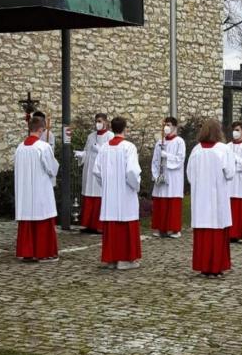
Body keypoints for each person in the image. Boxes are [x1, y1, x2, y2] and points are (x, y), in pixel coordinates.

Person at [186, 119, 236, 278]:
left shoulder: (196, 151)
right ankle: (216, 267)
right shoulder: (223, 150)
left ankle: (203, 266)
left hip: (200, 199)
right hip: (217, 198)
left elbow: (189, 176)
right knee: (217, 232)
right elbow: (230, 173)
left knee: (203, 234)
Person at [93, 116, 142, 270]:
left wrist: (106, 185)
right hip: (125, 192)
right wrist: (136, 186)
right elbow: (132, 172)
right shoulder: (129, 147)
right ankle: (125, 259)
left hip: (110, 194)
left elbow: (96, 171)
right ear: (125, 128)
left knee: (112, 224)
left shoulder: (104, 148)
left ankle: (111, 258)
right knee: (125, 223)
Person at [14, 116, 60, 262]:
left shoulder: (20, 147)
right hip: (40, 190)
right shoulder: (43, 147)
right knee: (42, 218)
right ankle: (43, 252)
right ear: (40, 130)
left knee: (28, 219)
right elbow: (52, 168)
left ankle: (27, 252)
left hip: (25, 191)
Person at [74, 113, 113, 234]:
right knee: (89, 194)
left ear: (106, 122)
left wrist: (100, 148)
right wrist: (81, 154)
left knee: (99, 196)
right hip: (90, 170)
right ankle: (87, 224)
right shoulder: (91, 136)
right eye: (96, 121)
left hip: (101, 170)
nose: (98, 123)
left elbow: (111, 154)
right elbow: (87, 151)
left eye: (100, 121)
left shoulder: (110, 136)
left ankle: (99, 225)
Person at [150, 117, 186, 238]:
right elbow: (154, 160)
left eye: (169, 125)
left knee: (172, 201)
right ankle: (161, 228)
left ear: (175, 127)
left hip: (173, 176)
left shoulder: (179, 142)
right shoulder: (159, 142)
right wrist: (155, 175)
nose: (166, 127)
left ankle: (174, 229)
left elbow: (180, 159)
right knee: (161, 202)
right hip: (161, 176)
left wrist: (167, 156)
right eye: (165, 124)